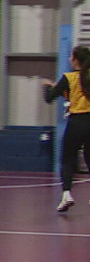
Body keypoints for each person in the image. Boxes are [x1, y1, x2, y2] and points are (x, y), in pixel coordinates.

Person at [43, 45, 90, 212]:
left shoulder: (69, 78)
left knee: (68, 158)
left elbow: (49, 98)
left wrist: (47, 86)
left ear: (75, 60)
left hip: (77, 121)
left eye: (71, 56)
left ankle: (66, 194)